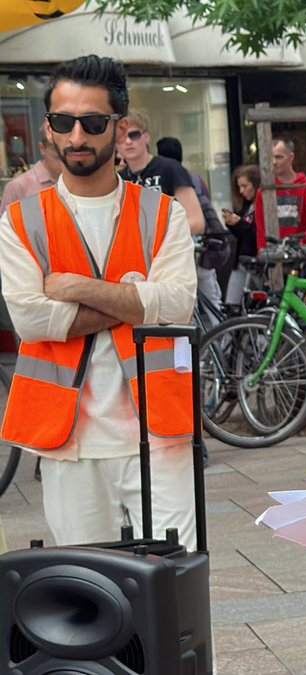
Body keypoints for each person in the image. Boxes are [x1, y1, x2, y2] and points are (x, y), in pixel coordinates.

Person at [0, 54, 198, 548]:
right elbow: (30, 318)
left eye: (91, 123)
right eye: (63, 123)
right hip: (67, 440)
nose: (76, 137)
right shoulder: (22, 219)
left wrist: (75, 287)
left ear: (120, 125)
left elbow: (176, 304)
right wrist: (132, 300)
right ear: (48, 127)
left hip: (159, 435)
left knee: (175, 584)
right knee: (88, 592)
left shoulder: (162, 213)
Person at [156, 135, 229, 305]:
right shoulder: (196, 179)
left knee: (186, 300)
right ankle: (222, 331)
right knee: (211, 296)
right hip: (202, 246)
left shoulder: (165, 179)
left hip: (181, 245)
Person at [116, 110, 205, 237]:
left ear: (146, 137)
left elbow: (196, 222)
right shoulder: (118, 179)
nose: (128, 141)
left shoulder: (170, 168)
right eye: (121, 137)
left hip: (169, 251)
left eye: (134, 135)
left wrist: (157, 236)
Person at [255, 137, 306, 250]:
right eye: (271, 157)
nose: (274, 162)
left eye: (278, 157)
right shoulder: (263, 192)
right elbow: (261, 229)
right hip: (273, 255)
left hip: (303, 254)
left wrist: (301, 243)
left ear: (291, 158)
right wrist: (263, 253)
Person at [222, 164, 261, 308]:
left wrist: (240, 223)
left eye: (245, 186)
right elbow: (243, 234)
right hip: (241, 262)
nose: (242, 191)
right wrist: (233, 224)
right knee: (232, 304)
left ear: (255, 184)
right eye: (239, 187)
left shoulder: (263, 206)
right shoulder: (246, 207)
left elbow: (256, 233)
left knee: (255, 305)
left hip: (258, 263)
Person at [1, 132, 63, 210]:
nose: (63, 164)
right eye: (57, 157)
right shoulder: (17, 187)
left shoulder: (76, 181)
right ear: (42, 148)